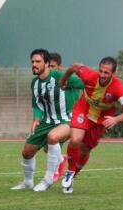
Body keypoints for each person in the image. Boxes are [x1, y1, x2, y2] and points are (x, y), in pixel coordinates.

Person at [11, 48, 83, 192]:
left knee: (53, 137)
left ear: (47, 63)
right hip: (46, 121)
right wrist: (36, 119)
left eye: (38, 61)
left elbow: (86, 84)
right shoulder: (35, 83)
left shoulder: (62, 76)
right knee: (27, 152)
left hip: (67, 120)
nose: (34, 64)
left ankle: (48, 180)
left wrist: (88, 104)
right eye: (32, 61)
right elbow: (37, 105)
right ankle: (27, 182)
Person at [59, 57, 123, 193]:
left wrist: (116, 119)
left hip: (100, 119)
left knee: (85, 150)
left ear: (113, 74)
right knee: (75, 140)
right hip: (83, 108)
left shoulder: (118, 87)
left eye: (106, 73)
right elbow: (74, 66)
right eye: (101, 71)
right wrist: (63, 80)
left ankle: (73, 177)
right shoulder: (89, 75)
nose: (103, 75)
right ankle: (69, 173)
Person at [47, 52, 68, 182]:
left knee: (52, 140)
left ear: (60, 67)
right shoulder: (46, 81)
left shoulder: (67, 80)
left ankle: (54, 172)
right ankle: (61, 159)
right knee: (46, 147)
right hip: (51, 118)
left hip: (65, 119)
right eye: (48, 65)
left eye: (53, 66)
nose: (50, 68)